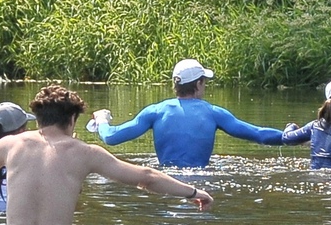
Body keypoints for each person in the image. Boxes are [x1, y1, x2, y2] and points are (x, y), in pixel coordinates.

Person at [0, 85, 214, 225]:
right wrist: (193, 192)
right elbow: (146, 177)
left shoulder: (10, 144)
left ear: (38, 118)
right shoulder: (86, 154)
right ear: (73, 119)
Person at [90, 58, 288, 168]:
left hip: (166, 180)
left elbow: (112, 138)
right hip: (201, 181)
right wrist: (294, 136)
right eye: (205, 81)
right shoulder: (213, 113)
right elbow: (259, 135)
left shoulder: (156, 111)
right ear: (199, 83)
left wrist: (102, 120)